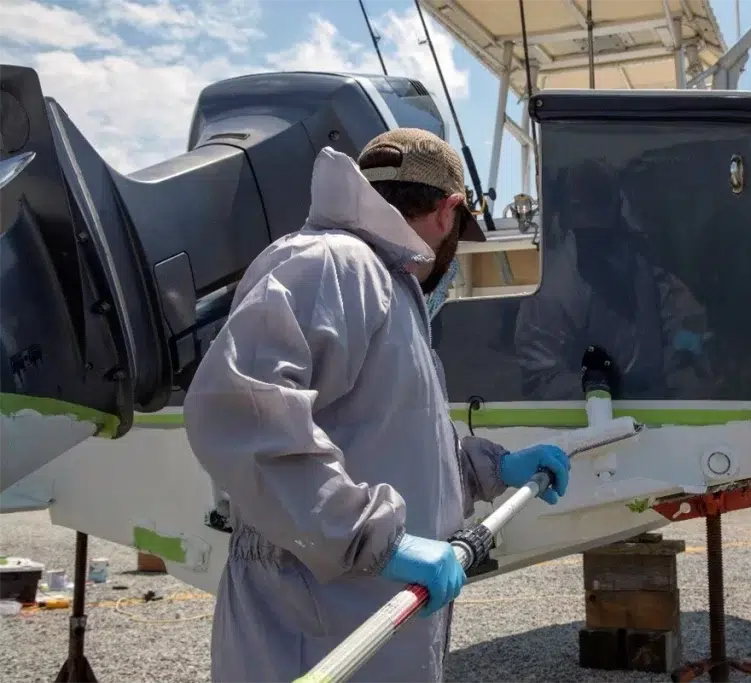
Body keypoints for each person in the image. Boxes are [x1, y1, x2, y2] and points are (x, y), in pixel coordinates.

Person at [182, 128, 571, 683]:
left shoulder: (385, 286)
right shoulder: (334, 263)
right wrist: (373, 540)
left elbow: (382, 439)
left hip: (368, 617)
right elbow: (241, 414)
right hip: (314, 628)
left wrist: (487, 469)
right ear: (448, 211)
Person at [514, 159, 710, 400]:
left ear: (617, 206)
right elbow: (540, 380)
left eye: (603, 204)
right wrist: (597, 389)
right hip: (591, 426)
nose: (594, 216)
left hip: (658, 411)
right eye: (583, 206)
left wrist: (688, 339)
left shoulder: (638, 261)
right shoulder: (551, 289)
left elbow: (677, 310)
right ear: (568, 212)